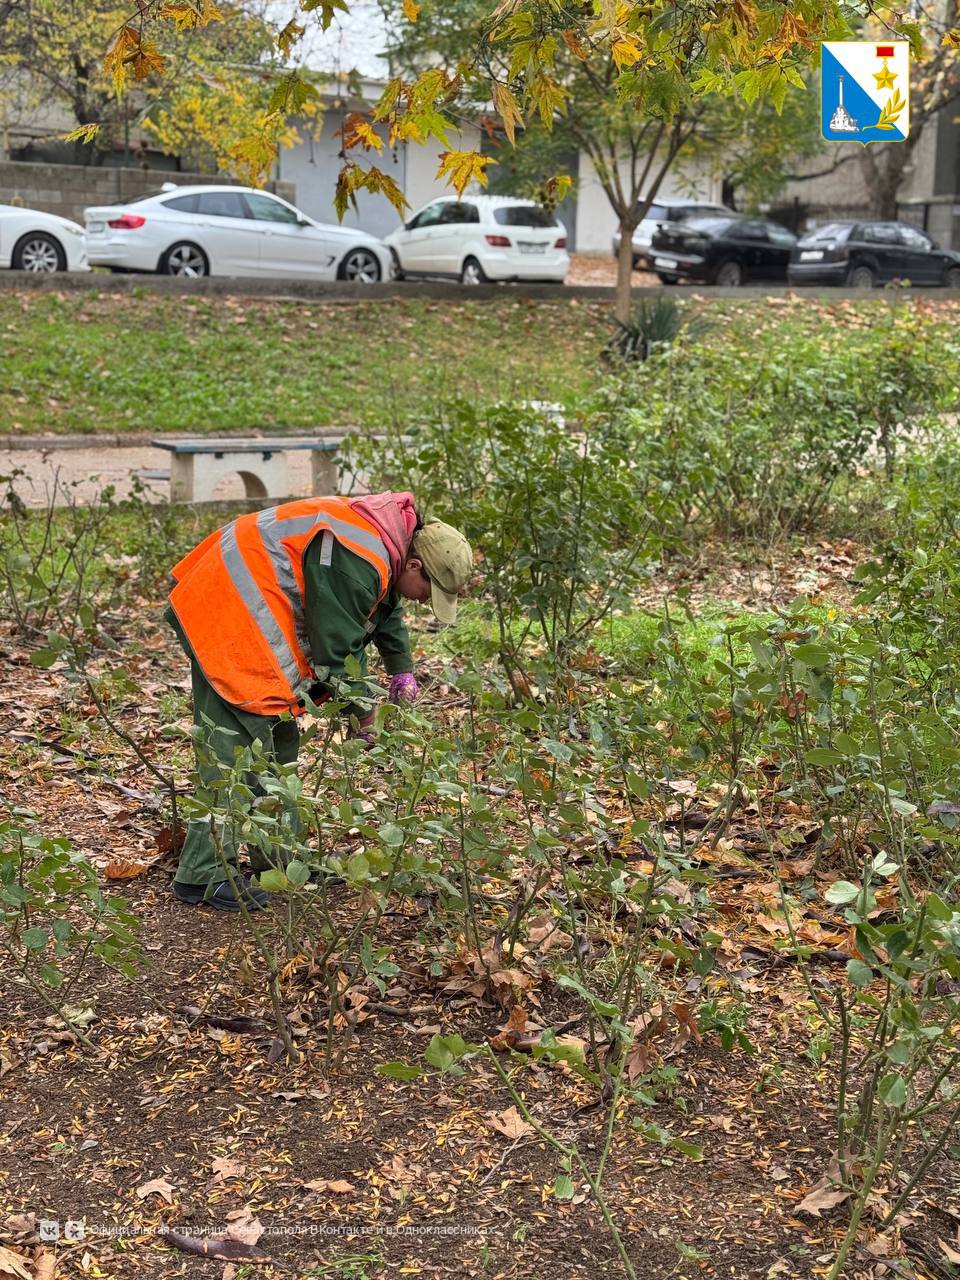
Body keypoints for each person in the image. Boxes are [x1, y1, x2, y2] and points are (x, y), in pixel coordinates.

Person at [164, 490, 473, 912]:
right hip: (229, 609)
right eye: (428, 591)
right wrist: (363, 712)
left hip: (252, 606)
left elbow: (385, 603)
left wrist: (401, 665)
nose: (424, 601)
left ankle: (281, 860)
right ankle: (202, 876)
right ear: (415, 564)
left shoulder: (388, 543)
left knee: (279, 744)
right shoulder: (359, 556)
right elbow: (336, 648)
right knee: (231, 751)